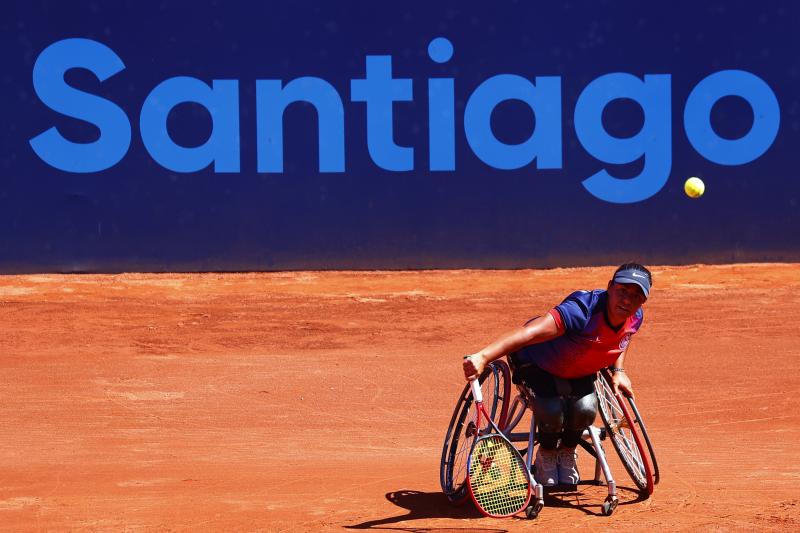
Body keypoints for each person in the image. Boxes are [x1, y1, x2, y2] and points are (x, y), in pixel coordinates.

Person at [462, 262, 652, 487]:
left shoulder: (635, 317)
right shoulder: (581, 311)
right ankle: (547, 453)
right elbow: (528, 334)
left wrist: (618, 370)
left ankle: (567, 451)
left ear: (643, 301)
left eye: (636, 295)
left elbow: (622, 339)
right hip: (536, 364)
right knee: (551, 411)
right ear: (610, 287)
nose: (627, 300)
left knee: (586, 409)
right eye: (622, 291)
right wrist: (484, 357)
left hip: (578, 369)